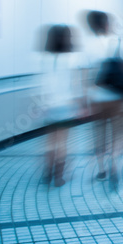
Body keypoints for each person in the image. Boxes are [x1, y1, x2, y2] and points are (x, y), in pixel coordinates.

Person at [83, 10, 123, 190]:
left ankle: (101, 168)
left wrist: (84, 100)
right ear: (106, 24)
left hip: (97, 99)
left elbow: (84, 76)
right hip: (119, 99)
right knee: (118, 133)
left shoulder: (88, 46)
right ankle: (114, 163)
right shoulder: (119, 42)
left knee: (99, 133)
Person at [39, 25, 81, 187]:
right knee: (63, 141)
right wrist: (80, 104)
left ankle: (47, 172)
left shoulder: (44, 58)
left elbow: (41, 84)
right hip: (66, 105)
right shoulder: (72, 59)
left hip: (49, 105)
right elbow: (75, 85)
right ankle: (59, 176)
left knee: (50, 141)